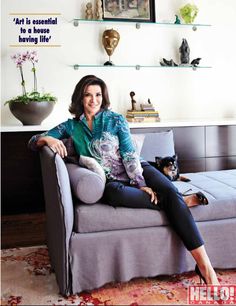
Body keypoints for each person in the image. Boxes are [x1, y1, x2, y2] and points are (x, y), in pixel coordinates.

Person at [28, 74, 220, 285]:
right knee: (114, 194)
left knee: (168, 190)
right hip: (114, 182)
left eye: (98, 94)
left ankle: (205, 267)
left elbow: (129, 154)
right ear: (79, 98)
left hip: (140, 170)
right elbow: (33, 142)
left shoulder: (115, 119)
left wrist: (141, 184)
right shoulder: (71, 127)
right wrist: (47, 138)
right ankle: (178, 203)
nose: (94, 100)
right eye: (88, 95)